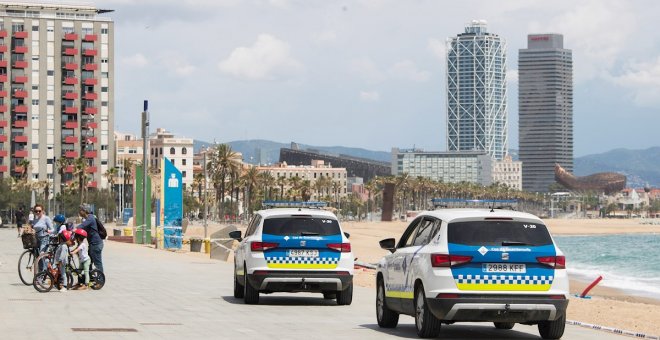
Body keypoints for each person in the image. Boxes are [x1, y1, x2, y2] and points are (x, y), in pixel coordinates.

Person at [77, 204, 103, 273]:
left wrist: (73, 229)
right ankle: (89, 279)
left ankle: (100, 280)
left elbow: (82, 226)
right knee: (88, 261)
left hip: (96, 244)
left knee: (97, 262)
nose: (79, 212)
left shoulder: (90, 218)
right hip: (92, 244)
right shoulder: (87, 219)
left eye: (80, 210)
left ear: (84, 211)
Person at [32, 204, 53, 272]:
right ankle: (41, 272)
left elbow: (52, 229)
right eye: (36, 211)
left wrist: (48, 231)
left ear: (42, 211)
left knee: (41, 255)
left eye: (39, 211)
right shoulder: (34, 220)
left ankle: (44, 273)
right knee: (37, 257)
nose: (38, 212)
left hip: (44, 239)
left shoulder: (46, 218)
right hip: (36, 239)